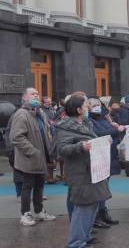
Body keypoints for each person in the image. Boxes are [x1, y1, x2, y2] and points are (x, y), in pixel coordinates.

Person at [56, 94, 111, 248]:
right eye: (86, 105)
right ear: (79, 109)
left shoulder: (85, 124)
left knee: (92, 205)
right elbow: (62, 149)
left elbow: (92, 141)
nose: (88, 108)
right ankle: (75, 242)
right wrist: (81, 147)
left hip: (91, 171)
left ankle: (84, 236)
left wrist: (104, 141)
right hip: (80, 173)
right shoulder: (65, 127)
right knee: (83, 208)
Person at [10, 88, 56, 226]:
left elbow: (46, 133)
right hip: (29, 158)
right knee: (27, 186)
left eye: (37, 94)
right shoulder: (21, 114)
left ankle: (39, 211)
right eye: (32, 94)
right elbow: (16, 137)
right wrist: (33, 152)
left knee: (39, 186)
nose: (36, 96)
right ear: (24, 97)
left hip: (42, 158)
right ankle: (25, 214)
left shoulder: (40, 113)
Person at [88, 98, 123, 227]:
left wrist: (114, 129)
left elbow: (109, 131)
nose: (97, 107)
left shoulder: (104, 118)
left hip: (109, 156)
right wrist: (114, 130)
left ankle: (103, 212)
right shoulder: (89, 121)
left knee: (104, 187)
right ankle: (96, 216)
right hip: (98, 158)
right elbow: (97, 134)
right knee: (98, 188)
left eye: (98, 104)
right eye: (93, 105)